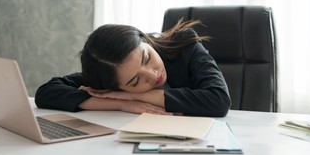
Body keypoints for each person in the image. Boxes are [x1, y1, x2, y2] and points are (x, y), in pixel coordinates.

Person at [35, 20, 231, 117]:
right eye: (134, 82)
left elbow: (218, 101)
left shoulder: (185, 43)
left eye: (146, 58)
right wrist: (120, 104)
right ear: (113, 87)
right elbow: (46, 93)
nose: (152, 75)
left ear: (143, 39)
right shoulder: (109, 74)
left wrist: (136, 95)